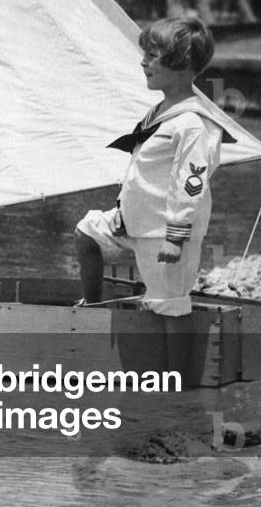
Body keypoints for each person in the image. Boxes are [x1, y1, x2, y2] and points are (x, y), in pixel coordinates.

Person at [74, 16, 234, 320]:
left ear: (181, 63)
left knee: (168, 305)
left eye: (151, 56)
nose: (142, 62)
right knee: (86, 232)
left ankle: (177, 368)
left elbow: (190, 184)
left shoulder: (192, 123)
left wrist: (175, 239)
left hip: (164, 232)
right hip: (134, 221)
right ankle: (92, 310)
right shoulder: (161, 112)